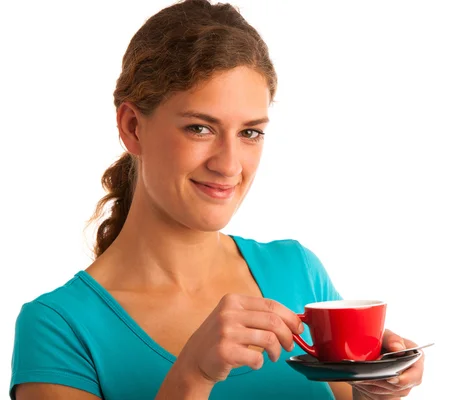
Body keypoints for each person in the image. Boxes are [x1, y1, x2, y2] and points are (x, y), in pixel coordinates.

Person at [9, 1, 425, 399]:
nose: (229, 165)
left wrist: (378, 390)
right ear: (133, 126)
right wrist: (193, 374)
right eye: (200, 128)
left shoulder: (299, 272)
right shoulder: (58, 328)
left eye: (250, 133)